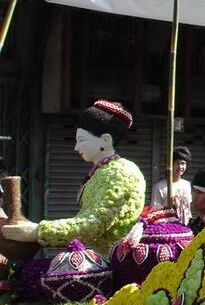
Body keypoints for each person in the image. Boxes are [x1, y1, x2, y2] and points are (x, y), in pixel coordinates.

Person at [0, 100, 146, 254]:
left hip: (116, 262)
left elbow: (93, 225)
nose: (76, 147)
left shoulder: (120, 172)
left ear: (106, 140)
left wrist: (38, 231)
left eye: (81, 140)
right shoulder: (102, 171)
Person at [151, 146, 192, 225]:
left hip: (184, 228)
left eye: (183, 163)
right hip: (165, 229)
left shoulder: (187, 185)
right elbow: (154, 211)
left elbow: (188, 210)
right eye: (177, 163)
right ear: (169, 165)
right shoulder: (159, 187)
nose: (180, 167)